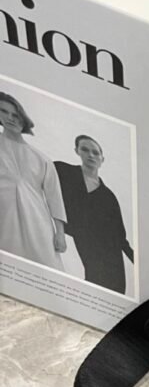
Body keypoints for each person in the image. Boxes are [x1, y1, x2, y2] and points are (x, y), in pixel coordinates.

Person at [55, 135, 133, 294]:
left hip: (111, 253)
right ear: (77, 151)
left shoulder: (109, 196)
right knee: (91, 287)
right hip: (85, 244)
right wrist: (60, 230)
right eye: (85, 149)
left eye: (95, 152)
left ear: (102, 159)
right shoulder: (62, 171)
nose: (91, 155)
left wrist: (137, 262)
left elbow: (120, 237)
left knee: (113, 291)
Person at [0, 91, 67, 270]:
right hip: (5, 222)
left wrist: (60, 233)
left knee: (46, 269)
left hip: (37, 222)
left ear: (23, 119)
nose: (10, 118)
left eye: (15, 114)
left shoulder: (41, 159)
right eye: (4, 111)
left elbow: (54, 198)